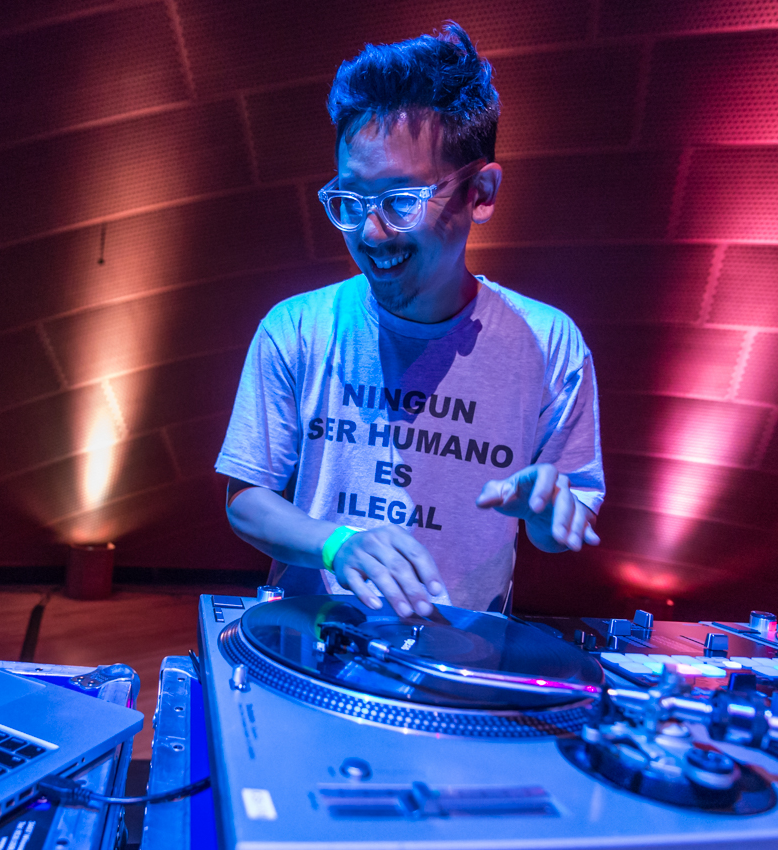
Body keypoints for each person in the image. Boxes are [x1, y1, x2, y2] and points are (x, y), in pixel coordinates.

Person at [215, 22, 603, 617]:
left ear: (481, 192)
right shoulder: (296, 329)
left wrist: (549, 512)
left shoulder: (549, 344)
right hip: (313, 644)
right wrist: (337, 544)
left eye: (400, 201)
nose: (372, 234)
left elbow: (556, 531)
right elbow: (246, 499)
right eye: (351, 201)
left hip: (463, 653)